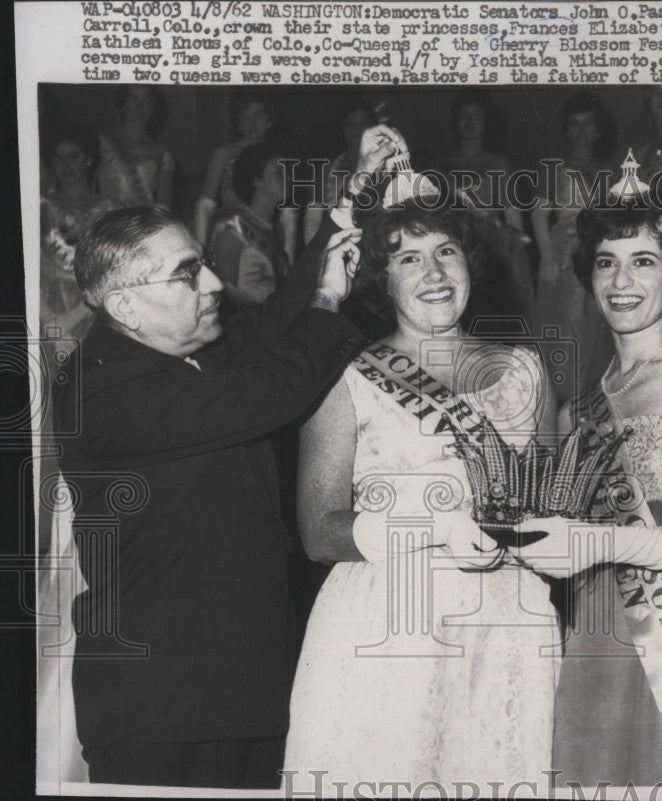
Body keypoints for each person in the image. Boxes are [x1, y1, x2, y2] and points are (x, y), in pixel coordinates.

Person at [52, 129, 402, 788]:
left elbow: (276, 323)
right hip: (161, 706)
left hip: (242, 684)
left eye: (202, 261)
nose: (212, 281)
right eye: (187, 274)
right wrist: (331, 299)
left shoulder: (181, 346)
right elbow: (269, 390)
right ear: (123, 302)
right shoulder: (99, 387)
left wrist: (350, 207)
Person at [283, 168, 561, 788]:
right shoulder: (345, 375)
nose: (434, 274)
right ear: (382, 279)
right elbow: (319, 532)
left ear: (469, 262)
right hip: (385, 619)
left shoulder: (528, 370)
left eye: (445, 252)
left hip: (505, 622)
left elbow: (545, 509)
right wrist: (436, 528)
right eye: (408, 258)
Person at [513, 177, 662, 786]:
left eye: (643, 262)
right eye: (606, 264)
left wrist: (597, 542)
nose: (622, 283)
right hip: (599, 626)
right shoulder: (577, 411)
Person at [530, 92, 617, 402]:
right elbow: (539, 212)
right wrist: (546, 258)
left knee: (599, 324)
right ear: (566, 130)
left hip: (599, 251)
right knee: (568, 325)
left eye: (588, 123)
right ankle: (565, 403)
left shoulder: (610, 171)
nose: (581, 130)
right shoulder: (557, 167)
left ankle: (593, 402)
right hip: (565, 252)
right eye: (574, 124)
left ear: (598, 130)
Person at [437, 88, 534, 320]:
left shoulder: (499, 163)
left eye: (477, 115)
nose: (470, 121)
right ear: (456, 121)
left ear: (487, 122)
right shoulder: (440, 165)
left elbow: (512, 214)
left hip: (491, 247)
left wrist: (515, 256)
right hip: (454, 244)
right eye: (464, 115)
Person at [40, 122, 118, 343]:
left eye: (73, 156)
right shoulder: (39, 208)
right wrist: (51, 321)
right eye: (58, 157)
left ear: (89, 159)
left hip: (97, 309)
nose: (65, 164)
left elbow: (116, 272)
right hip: (47, 311)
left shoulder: (111, 209)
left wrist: (75, 316)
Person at [209, 142, 290, 311]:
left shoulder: (277, 229)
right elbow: (224, 297)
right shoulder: (231, 230)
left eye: (287, 171)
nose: (288, 177)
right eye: (278, 172)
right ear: (257, 181)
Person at [193, 93, 275, 245]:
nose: (252, 122)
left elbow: (287, 212)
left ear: (269, 121)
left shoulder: (276, 157)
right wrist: (201, 248)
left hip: (267, 232)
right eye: (245, 116)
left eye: (259, 115)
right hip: (233, 232)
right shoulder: (224, 154)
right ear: (238, 123)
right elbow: (205, 205)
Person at [302, 97, 376, 245]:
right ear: (343, 128)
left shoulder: (384, 168)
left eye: (361, 123)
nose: (356, 129)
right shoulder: (325, 170)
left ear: (371, 126)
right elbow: (312, 221)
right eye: (350, 124)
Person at [97, 85, 175, 209]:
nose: (140, 105)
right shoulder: (102, 144)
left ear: (153, 107)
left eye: (146, 100)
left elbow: (164, 209)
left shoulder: (162, 154)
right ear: (123, 104)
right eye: (133, 98)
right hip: (106, 220)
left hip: (141, 223)